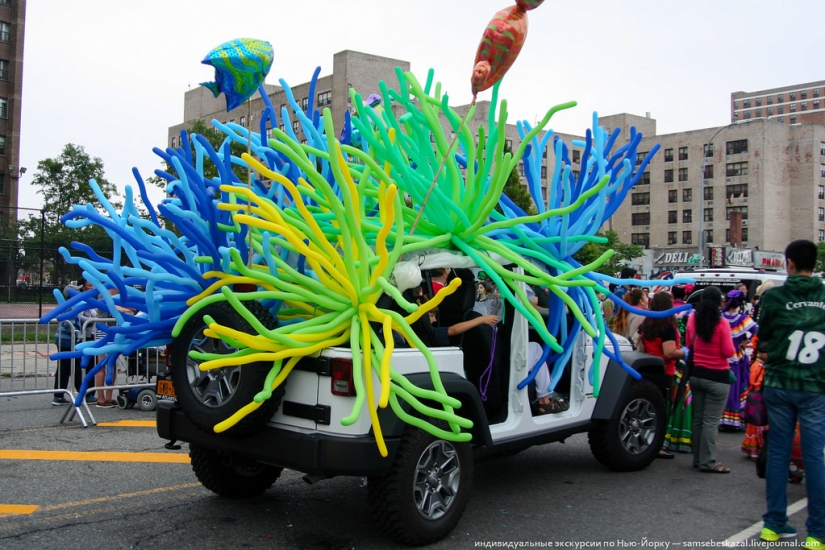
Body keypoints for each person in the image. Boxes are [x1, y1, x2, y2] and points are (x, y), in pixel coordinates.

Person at [757, 240, 825, 547]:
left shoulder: (774, 296)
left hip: (780, 382)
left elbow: (764, 337)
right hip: (814, 384)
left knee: (779, 455)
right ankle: (817, 533)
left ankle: (773, 524)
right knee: (814, 458)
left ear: (789, 263)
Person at [686, 285, 736, 473]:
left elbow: (689, 343)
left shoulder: (692, 318)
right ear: (718, 302)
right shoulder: (722, 323)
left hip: (697, 374)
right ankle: (708, 461)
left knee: (698, 419)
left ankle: (698, 459)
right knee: (710, 421)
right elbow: (728, 351)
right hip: (717, 377)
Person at [639, 291, 687, 459]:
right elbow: (669, 352)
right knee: (661, 411)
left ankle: (647, 442)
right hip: (664, 371)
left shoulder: (647, 323)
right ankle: (657, 446)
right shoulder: (667, 327)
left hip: (646, 368)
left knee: (648, 411)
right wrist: (685, 353)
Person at [52, 278, 97, 406]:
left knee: (64, 368)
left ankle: (58, 395)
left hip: (69, 339)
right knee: (74, 367)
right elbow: (69, 323)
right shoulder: (70, 305)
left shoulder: (75, 304)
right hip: (67, 340)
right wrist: (77, 330)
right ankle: (83, 393)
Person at [720, 289, 758, 431]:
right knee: (734, 388)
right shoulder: (743, 319)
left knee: (723, 388)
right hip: (736, 357)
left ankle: (722, 417)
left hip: (722, 356)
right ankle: (733, 419)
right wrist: (746, 341)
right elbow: (756, 330)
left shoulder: (721, 317)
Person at [427, 307, 498, 346]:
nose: (434, 320)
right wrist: (481, 320)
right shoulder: (426, 332)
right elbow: (453, 330)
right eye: (431, 316)